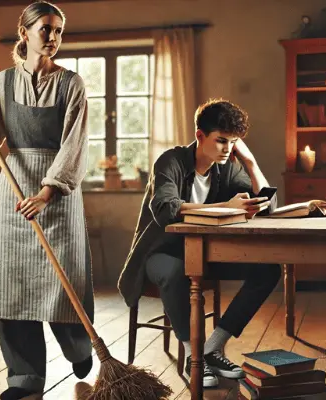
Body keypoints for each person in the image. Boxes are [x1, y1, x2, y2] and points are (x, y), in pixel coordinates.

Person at [0, 2, 93, 399]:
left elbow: (75, 147)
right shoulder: (0, 83)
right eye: (45, 28)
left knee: (63, 285)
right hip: (13, 190)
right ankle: (25, 379)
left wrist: (47, 194)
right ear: (24, 33)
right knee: (11, 288)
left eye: (59, 30)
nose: (53, 37)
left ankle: (79, 348)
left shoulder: (72, 85)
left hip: (57, 195)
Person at [118, 99, 282, 388]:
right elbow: (166, 208)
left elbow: (267, 206)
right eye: (221, 141)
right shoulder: (171, 160)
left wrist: (251, 162)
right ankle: (196, 356)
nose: (227, 149)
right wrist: (225, 208)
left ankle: (213, 347)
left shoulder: (227, 168)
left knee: (268, 269)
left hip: (205, 251)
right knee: (174, 272)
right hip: (161, 250)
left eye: (233, 142)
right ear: (200, 136)